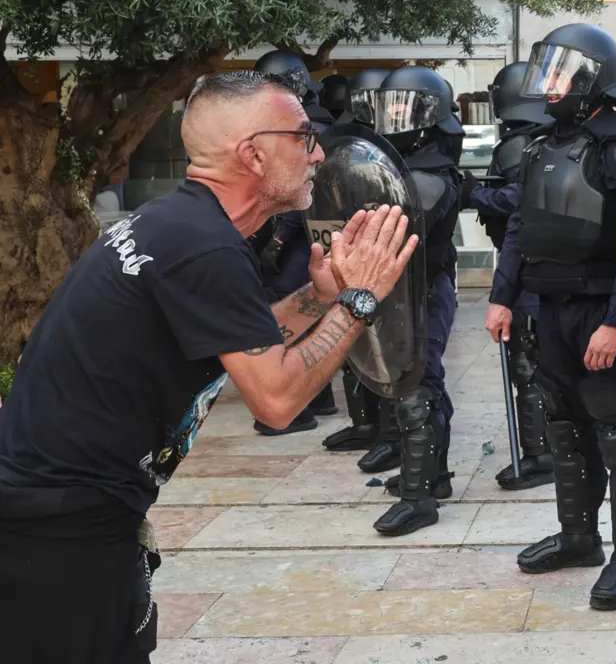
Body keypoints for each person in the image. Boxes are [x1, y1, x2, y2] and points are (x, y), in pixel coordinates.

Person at [0, 71, 418, 664]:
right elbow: (276, 400)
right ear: (254, 154)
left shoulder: (177, 223)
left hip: (51, 510)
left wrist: (321, 295)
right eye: (303, 137)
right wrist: (359, 300)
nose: (317, 154)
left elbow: (241, 338)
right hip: (60, 526)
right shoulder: (205, 247)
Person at [485, 23, 616, 611]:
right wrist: (502, 296)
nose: (551, 85)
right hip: (548, 308)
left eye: (563, 73)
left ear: (594, 79)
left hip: (601, 311)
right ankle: (578, 537)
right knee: (563, 427)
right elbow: (519, 226)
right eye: (549, 71)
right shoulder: (538, 146)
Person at [369, 65, 463, 536]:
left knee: (417, 391)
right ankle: (433, 476)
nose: (395, 118)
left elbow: (397, 223)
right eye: (390, 108)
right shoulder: (398, 166)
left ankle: (418, 498)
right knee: (422, 383)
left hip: (424, 291)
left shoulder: (432, 173)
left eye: (404, 108)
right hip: (403, 292)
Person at [463, 61, 556, 490]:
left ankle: (540, 454)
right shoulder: (540, 139)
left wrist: (476, 195)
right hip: (533, 267)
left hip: (526, 270)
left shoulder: (523, 144)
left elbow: (519, 200)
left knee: (528, 367)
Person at [249, 51, 341, 434]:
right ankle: (319, 397)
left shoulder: (306, 125)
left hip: (297, 232)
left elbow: (297, 186)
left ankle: (297, 407)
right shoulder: (309, 121)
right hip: (304, 230)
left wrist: (277, 238)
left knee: (289, 311)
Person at [321, 67, 397, 453]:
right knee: (353, 349)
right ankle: (365, 425)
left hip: (388, 261)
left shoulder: (393, 145)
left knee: (388, 350)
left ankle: (390, 433)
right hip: (351, 250)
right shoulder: (348, 142)